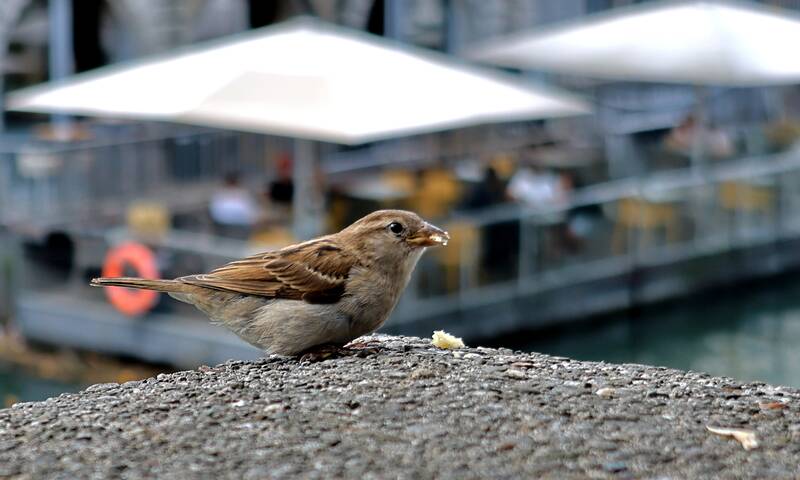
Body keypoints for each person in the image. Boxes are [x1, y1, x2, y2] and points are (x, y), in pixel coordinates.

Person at [209, 172, 260, 239]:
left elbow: (253, 214)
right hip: (226, 228)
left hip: (238, 228)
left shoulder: (243, 194)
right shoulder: (220, 194)